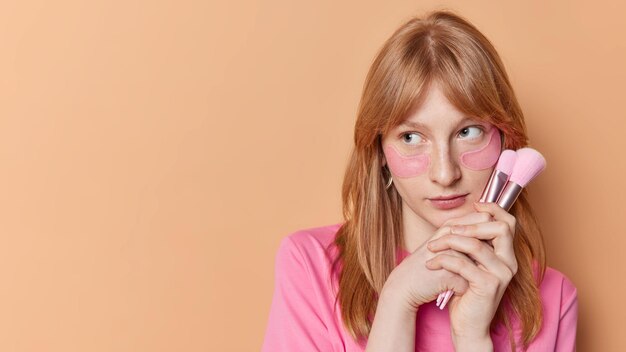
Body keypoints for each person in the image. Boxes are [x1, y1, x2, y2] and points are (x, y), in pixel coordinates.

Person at [261, 9, 578, 352]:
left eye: (467, 132)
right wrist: (397, 301)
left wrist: (472, 339)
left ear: (505, 139)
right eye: (412, 137)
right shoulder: (311, 267)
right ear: (379, 149)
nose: (445, 174)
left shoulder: (554, 301)